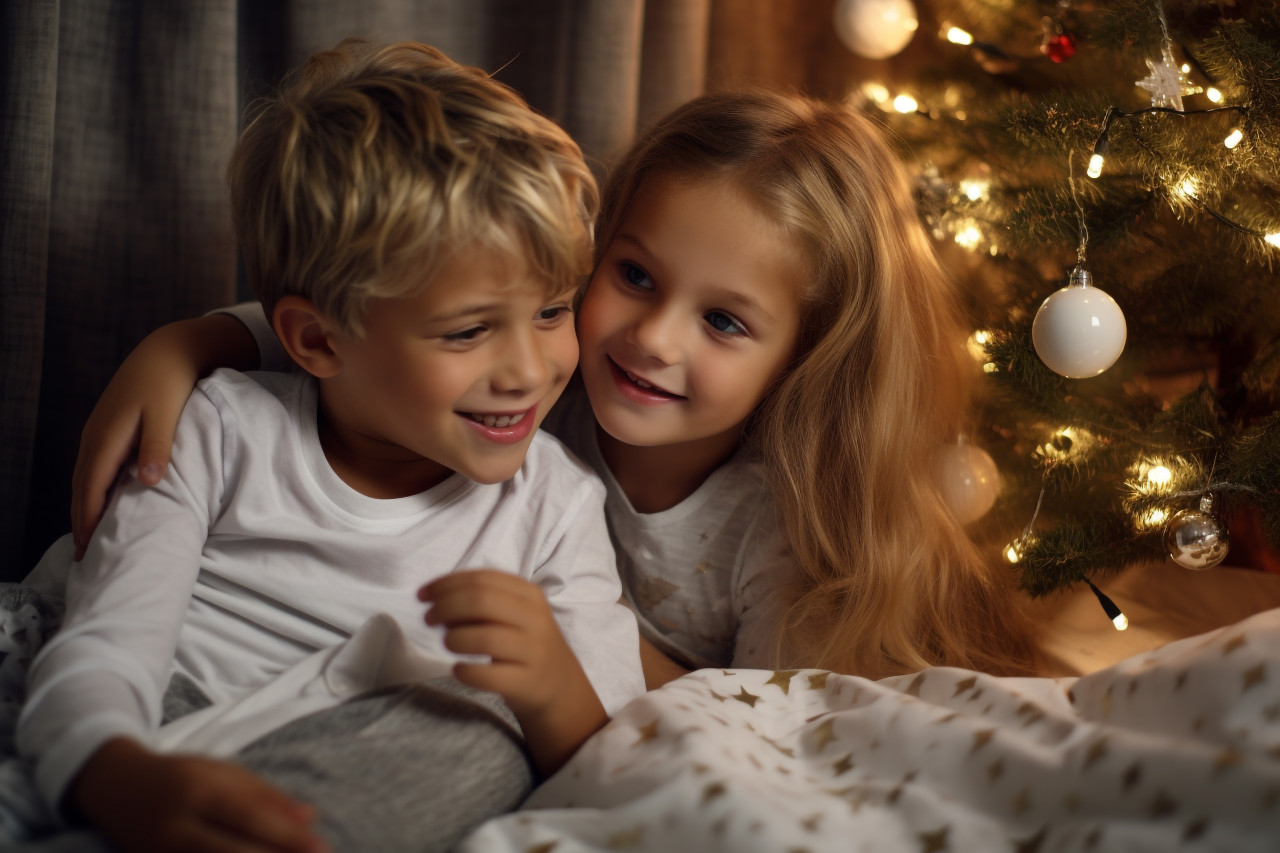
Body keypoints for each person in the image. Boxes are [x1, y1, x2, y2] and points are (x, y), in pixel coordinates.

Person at [70, 88, 1041, 693]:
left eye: (724, 321)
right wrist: (188, 343)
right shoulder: (543, 373)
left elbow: (745, 723)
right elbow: (375, 328)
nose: (651, 339)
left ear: (806, 353)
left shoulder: (781, 527)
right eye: (633, 276)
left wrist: (565, 667)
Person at [20, 39, 644, 853]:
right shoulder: (221, 428)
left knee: (483, 732)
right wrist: (116, 771)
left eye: (553, 310)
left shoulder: (556, 508)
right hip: (149, 720)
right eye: (468, 330)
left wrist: (553, 686)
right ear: (317, 341)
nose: (531, 369)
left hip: (361, 761)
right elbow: (104, 646)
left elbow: (613, 757)